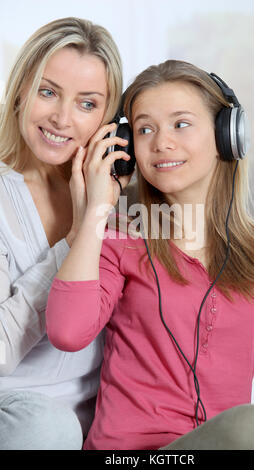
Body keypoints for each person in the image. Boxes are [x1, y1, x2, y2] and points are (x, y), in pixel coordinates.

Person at [46, 60, 254, 450]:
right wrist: (97, 208)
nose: (161, 142)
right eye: (145, 129)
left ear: (226, 135)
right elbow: (67, 332)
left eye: (180, 124)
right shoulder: (118, 236)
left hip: (222, 444)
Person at [0, 17, 125, 450]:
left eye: (87, 104)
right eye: (48, 92)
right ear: (21, 90)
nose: (62, 117)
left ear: (109, 122)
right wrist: (76, 236)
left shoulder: (121, 199)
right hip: (20, 419)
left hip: (99, 423)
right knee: (47, 428)